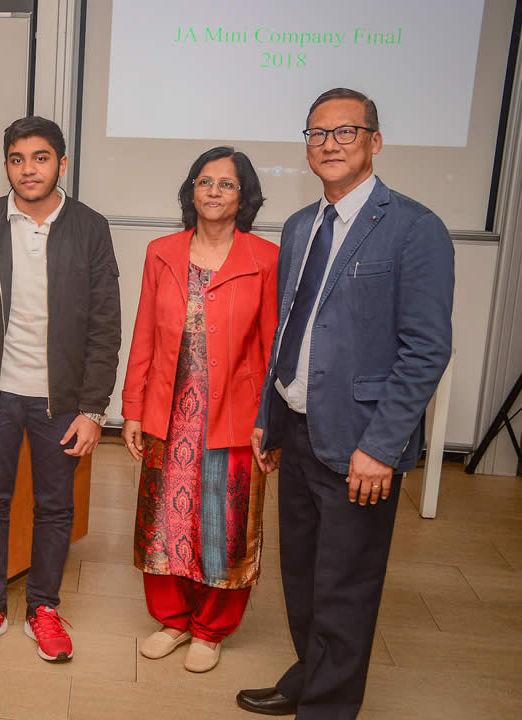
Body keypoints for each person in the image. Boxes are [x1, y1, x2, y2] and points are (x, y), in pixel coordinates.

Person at [238, 88, 454, 718]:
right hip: (298, 430)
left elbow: (425, 351)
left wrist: (381, 448)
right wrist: (268, 417)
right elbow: (289, 330)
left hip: (361, 444)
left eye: (344, 132)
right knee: (302, 580)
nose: (328, 144)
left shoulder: (416, 228)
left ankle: (327, 708)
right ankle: (309, 675)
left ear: (374, 142)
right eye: (316, 134)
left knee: (346, 587)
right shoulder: (303, 225)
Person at [0, 116, 120, 663]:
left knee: (55, 507)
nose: (29, 170)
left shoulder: (90, 227)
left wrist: (95, 408)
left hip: (63, 400)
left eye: (41, 158)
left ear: (62, 162)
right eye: (17, 159)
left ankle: (44, 609)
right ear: (6, 163)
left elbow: (105, 323)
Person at [121, 147, 278, 673]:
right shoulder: (161, 251)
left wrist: (269, 421)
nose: (213, 191)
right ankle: (172, 619)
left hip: (234, 414)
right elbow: (144, 332)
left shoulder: (264, 258)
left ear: (244, 196)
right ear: (192, 190)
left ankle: (211, 630)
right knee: (164, 519)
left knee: (223, 522)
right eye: (204, 181)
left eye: (226, 184)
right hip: (170, 410)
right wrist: (134, 408)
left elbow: (273, 346)